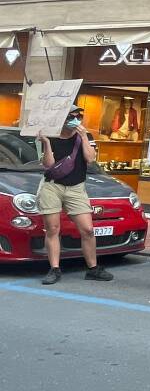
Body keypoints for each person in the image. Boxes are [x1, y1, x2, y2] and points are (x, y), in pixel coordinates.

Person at [37, 104, 113, 285]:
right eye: (72, 116)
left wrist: (84, 136)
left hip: (76, 187)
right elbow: (48, 164)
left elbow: (90, 159)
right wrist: (46, 143)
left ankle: (93, 268)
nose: (76, 119)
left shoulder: (84, 135)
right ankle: (54, 268)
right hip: (52, 186)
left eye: (79, 116)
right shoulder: (51, 136)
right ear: (62, 119)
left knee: (87, 229)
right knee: (53, 229)